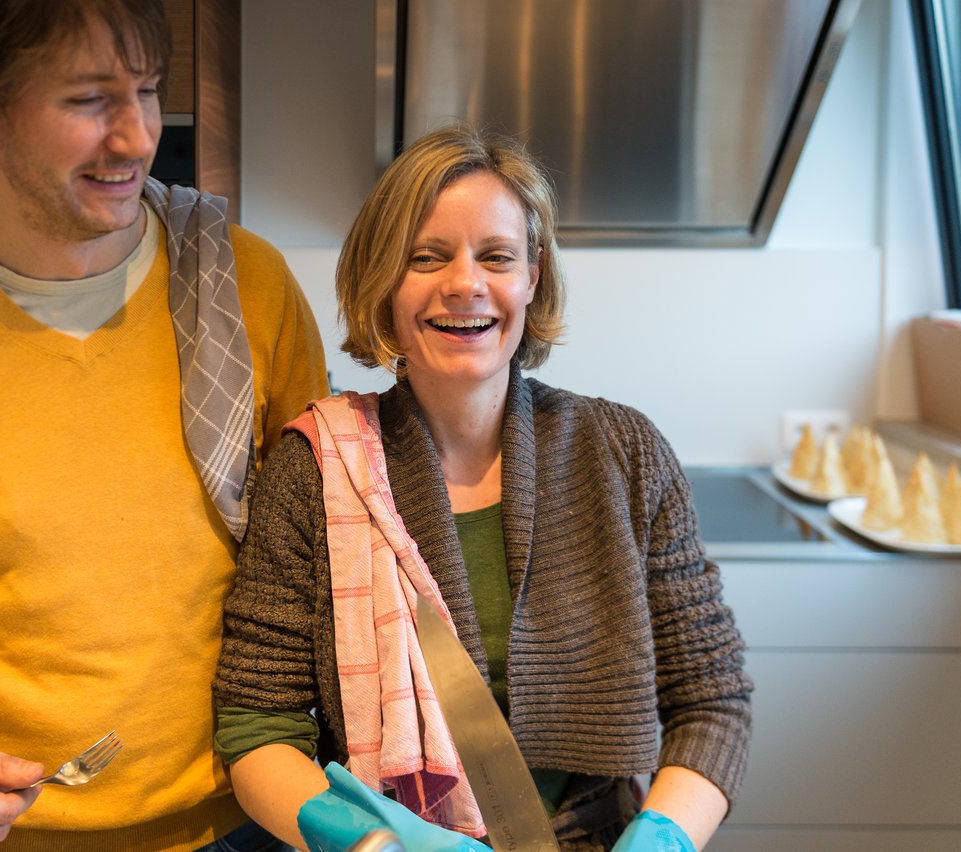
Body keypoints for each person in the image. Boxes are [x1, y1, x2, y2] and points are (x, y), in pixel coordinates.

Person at [0, 0, 328, 849]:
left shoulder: (248, 291)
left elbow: (315, 553)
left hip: (241, 822)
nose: (135, 138)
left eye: (147, 92)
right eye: (87, 100)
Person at [213, 124, 752, 851]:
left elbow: (712, 704)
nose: (465, 283)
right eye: (427, 257)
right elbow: (256, 729)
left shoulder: (624, 453)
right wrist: (372, 845)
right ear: (384, 281)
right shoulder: (316, 471)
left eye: (496, 256)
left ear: (532, 276)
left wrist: (662, 837)